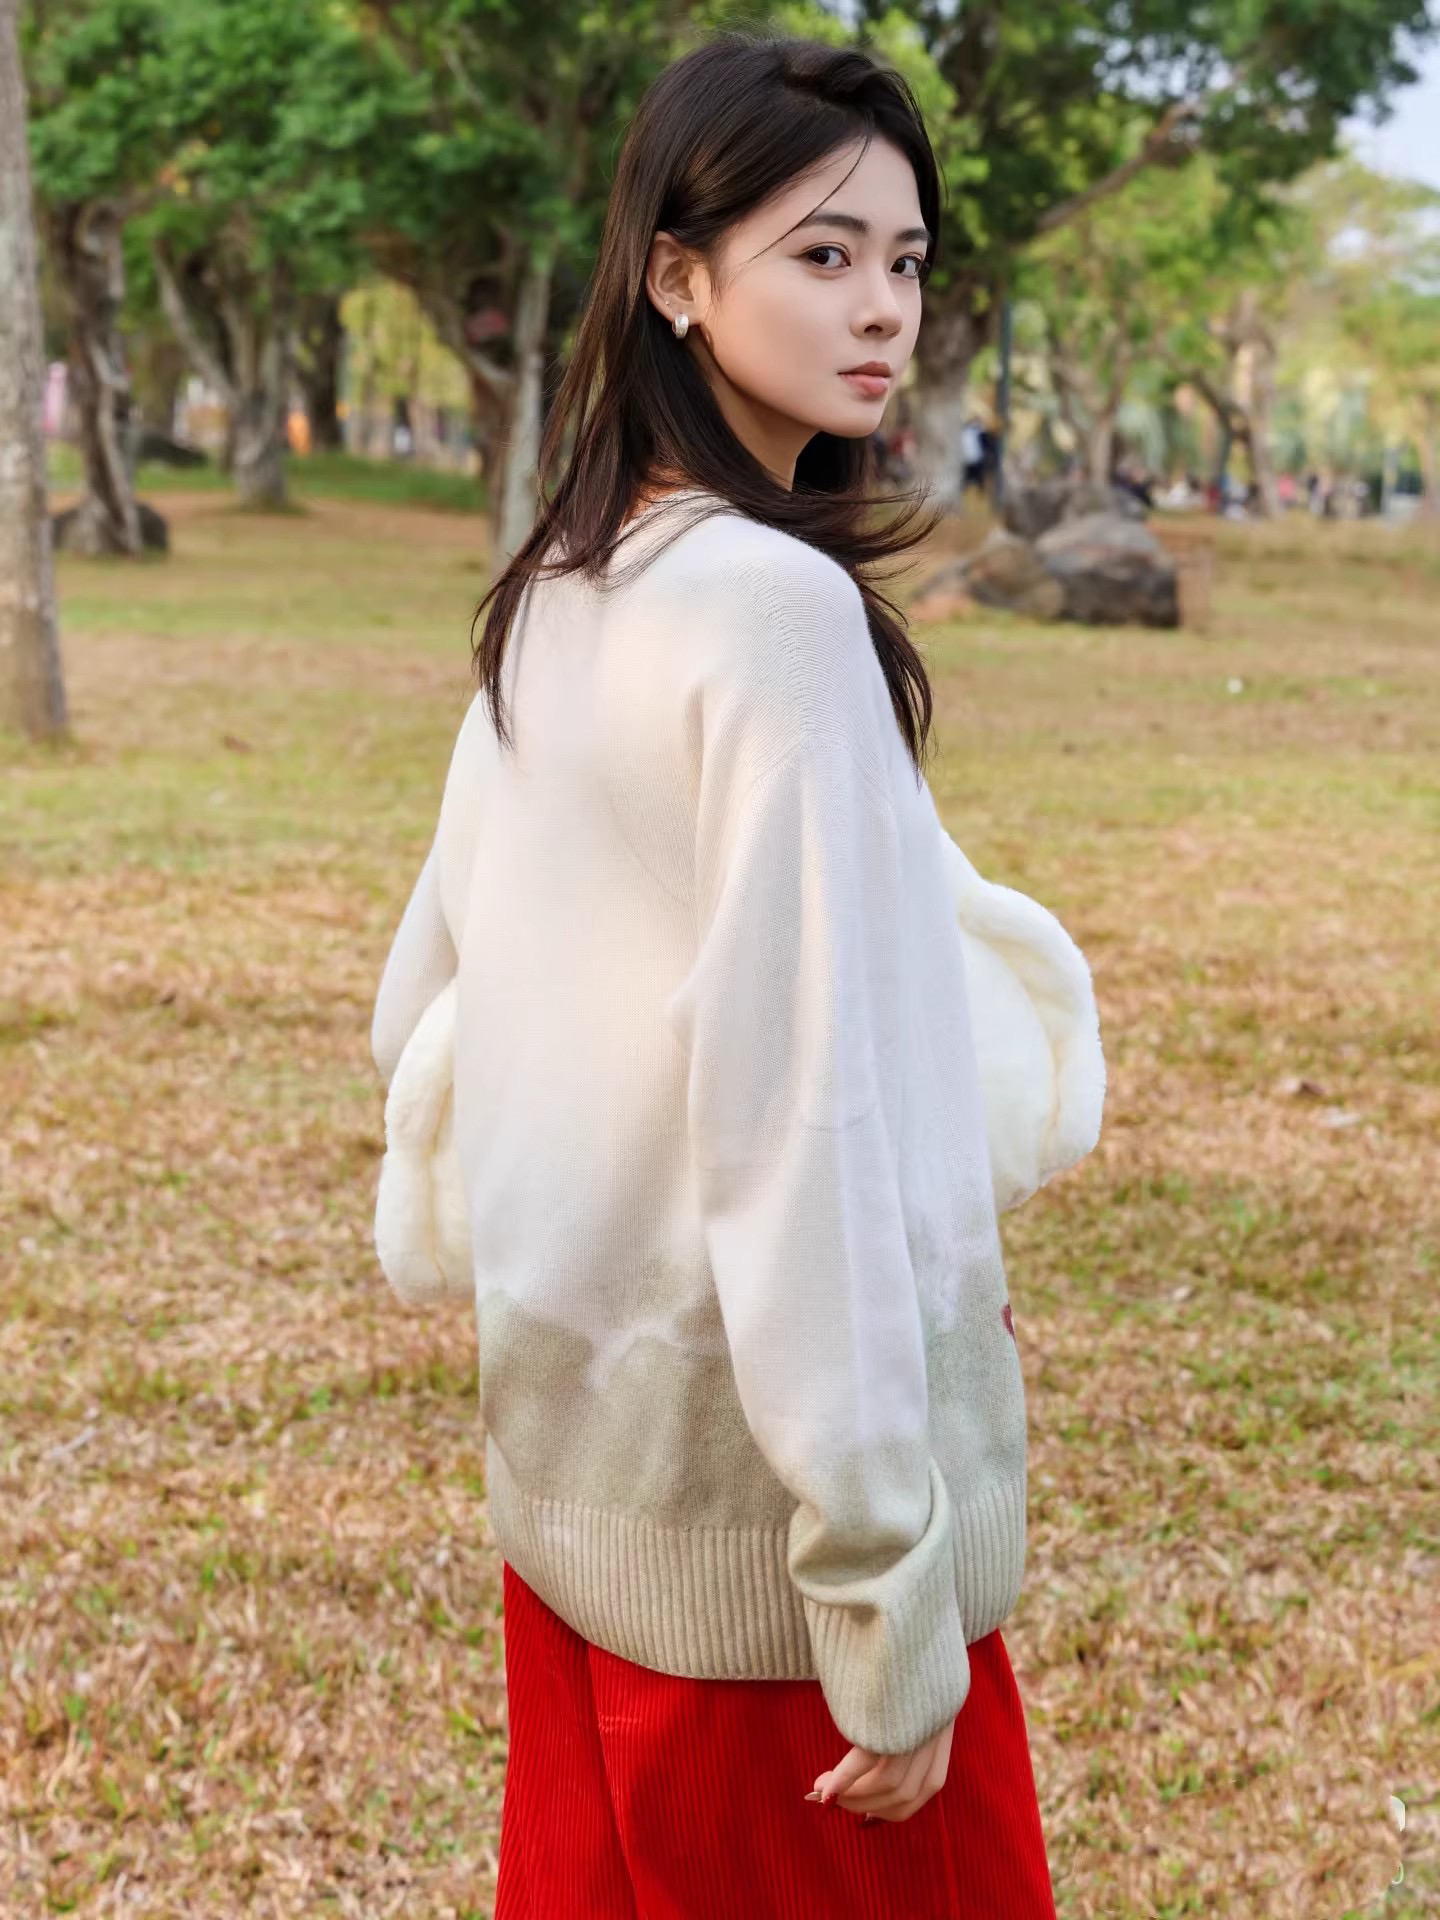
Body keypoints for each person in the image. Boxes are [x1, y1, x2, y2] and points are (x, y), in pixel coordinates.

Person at [370, 30, 1059, 1918]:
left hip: (584, 1511)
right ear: (677, 276)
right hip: (779, 1586)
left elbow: (427, 1014)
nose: (883, 307)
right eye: (822, 255)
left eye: (905, 259)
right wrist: (883, 1578)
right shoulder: (773, 612)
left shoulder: (562, 585)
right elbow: (802, 1119)